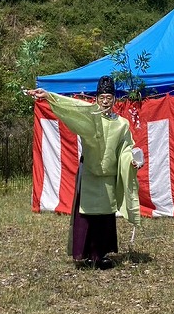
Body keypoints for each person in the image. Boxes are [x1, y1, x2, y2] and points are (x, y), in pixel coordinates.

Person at [30, 76, 141, 268]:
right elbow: (70, 107)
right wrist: (49, 96)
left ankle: (102, 254)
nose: (105, 101)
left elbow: (125, 147)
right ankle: (87, 254)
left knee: (105, 216)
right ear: (96, 99)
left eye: (109, 97)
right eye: (102, 97)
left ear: (114, 99)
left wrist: (131, 160)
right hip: (89, 172)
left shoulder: (122, 124)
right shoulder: (89, 116)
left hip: (108, 174)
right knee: (87, 214)